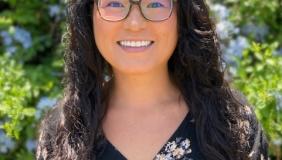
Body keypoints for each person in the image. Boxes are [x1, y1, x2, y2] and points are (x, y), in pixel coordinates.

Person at [36, 0, 269, 159]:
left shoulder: (231, 124)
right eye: (115, 3)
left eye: (156, 2)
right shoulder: (61, 133)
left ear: (183, 14)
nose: (135, 23)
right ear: (88, 15)